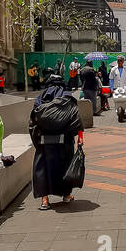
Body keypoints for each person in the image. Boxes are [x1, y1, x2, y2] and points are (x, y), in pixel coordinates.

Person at [30, 68, 83, 209]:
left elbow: (34, 118)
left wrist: (37, 137)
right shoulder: (68, 96)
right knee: (64, 167)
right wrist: (79, 137)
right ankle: (66, 195)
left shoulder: (41, 97)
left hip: (44, 142)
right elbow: (76, 119)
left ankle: (45, 200)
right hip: (64, 141)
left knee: (42, 169)